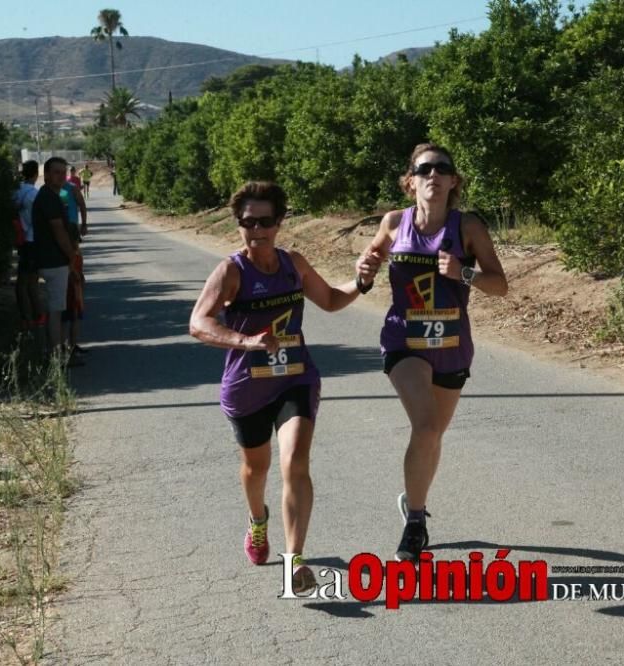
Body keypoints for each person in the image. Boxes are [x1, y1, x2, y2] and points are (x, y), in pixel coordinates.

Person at [189, 181, 367, 592]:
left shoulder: (293, 264)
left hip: (294, 378)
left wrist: (360, 282)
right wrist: (245, 340)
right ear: (238, 225)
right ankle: (257, 522)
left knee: (295, 462)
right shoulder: (232, 271)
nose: (257, 230)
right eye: (247, 222)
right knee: (257, 468)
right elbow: (199, 322)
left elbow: (330, 299)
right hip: (247, 385)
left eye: (265, 221)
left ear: (280, 222)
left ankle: (295, 559)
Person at [356, 143, 509, 562]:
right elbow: (366, 269)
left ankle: (413, 498)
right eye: (424, 169)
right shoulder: (393, 223)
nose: (434, 175)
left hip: (452, 346)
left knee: (432, 435)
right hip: (404, 341)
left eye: (443, 168)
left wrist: (465, 272)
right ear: (411, 182)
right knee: (425, 427)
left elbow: (500, 284)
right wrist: (362, 272)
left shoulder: (468, 227)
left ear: (454, 181)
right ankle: (416, 524)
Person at [32, 157, 77, 358]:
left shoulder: (49, 195)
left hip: (51, 259)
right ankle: (56, 356)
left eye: (63, 172)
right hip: (54, 260)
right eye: (56, 172)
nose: (60, 176)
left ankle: (55, 352)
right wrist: (71, 255)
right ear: (47, 174)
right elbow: (58, 231)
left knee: (56, 308)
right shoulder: (49, 198)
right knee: (56, 310)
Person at [12, 160, 42, 330]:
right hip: (32, 240)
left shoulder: (16, 191)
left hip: (21, 239)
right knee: (29, 281)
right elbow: (35, 220)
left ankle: (28, 315)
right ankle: (32, 316)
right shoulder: (33, 194)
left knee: (24, 280)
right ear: (35, 173)